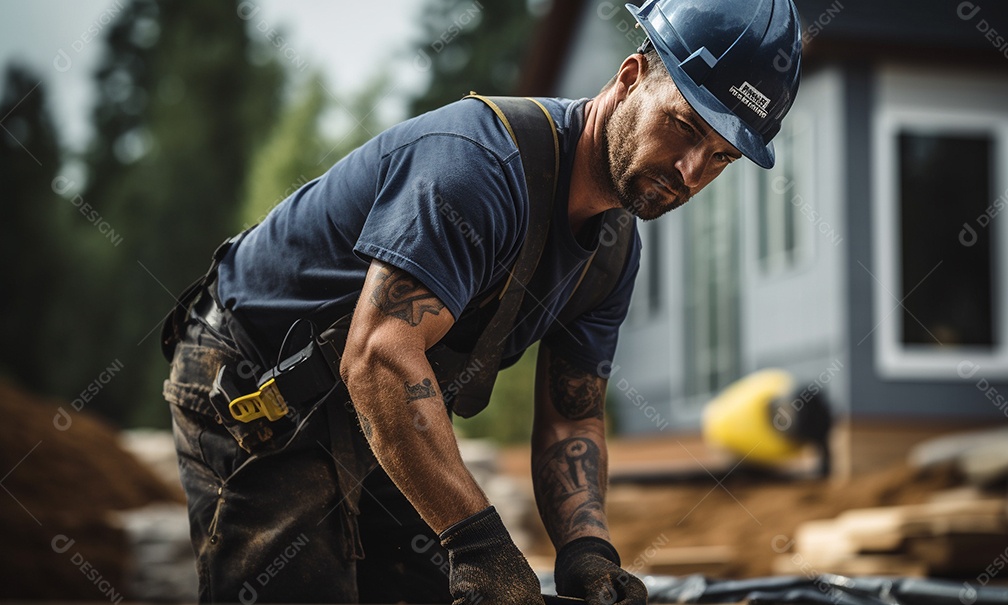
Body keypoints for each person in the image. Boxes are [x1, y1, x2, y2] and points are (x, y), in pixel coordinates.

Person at [161, 0, 802, 603]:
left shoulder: (611, 252)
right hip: (254, 382)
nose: (691, 170)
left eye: (719, 157)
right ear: (631, 77)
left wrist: (587, 551)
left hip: (372, 403)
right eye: (683, 125)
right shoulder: (480, 167)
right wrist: (482, 545)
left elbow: (572, 418)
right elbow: (381, 353)